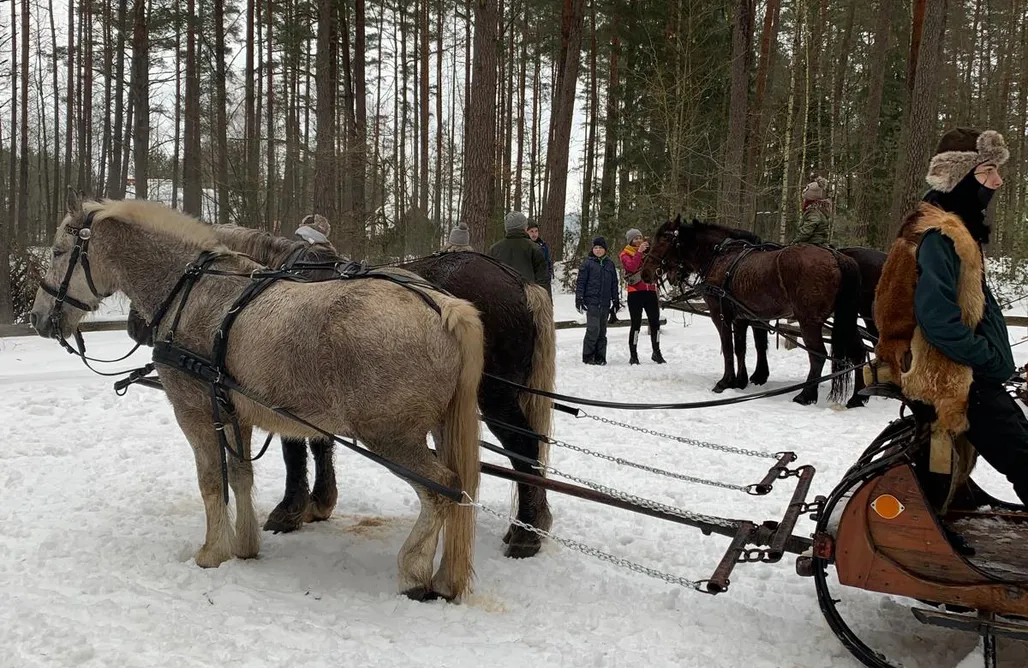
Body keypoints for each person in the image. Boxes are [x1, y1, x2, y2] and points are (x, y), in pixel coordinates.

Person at [873, 127, 1025, 505]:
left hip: (966, 374)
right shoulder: (942, 235)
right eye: (987, 171)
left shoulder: (952, 230)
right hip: (954, 379)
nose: (997, 181)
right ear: (956, 178)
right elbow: (937, 318)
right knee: (1023, 458)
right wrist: (988, 359)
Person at [619, 228, 665, 364]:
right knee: (636, 324)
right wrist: (639, 253)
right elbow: (631, 267)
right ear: (630, 241)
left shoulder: (648, 252)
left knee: (655, 323)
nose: (638, 240)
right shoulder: (625, 254)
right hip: (635, 292)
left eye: (640, 238)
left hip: (650, 291)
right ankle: (633, 355)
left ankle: (656, 352)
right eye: (635, 238)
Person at [575, 237, 621, 365]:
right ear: (592, 249)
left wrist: (615, 300)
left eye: (600, 248)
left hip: (605, 302)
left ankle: (600, 356)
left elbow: (614, 284)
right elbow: (581, 282)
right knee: (593, 329)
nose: (598, 250)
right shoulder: (587, 263)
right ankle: (588, 356)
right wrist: (579, 298)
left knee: (602, 330)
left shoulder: (610, 264)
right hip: (592, 302)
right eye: (596, 247)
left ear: (605, 249)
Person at [488, 211, 551, 294]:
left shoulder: (494, 249)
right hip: (528, 299)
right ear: (525, 227)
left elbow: (489, 279)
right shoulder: (535, 248)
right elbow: (543, 280)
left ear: (506, 228)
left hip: (501, 299)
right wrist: (547, 301)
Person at [792, 176, 831, 245]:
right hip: (818, 243)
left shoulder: (813, 212)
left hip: (812, 243)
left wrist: (795, 241)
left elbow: (807, 231)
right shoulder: (819, 209)